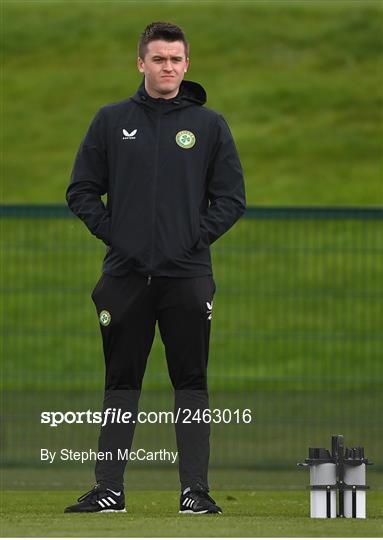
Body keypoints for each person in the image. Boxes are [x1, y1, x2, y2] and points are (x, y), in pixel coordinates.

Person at [64, 21, 245, 515]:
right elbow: (81, 190)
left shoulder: (210, 126)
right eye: (158, 59)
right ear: (141, 62)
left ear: (187, 65)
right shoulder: (110, 120)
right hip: (124, 278)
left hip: (186, 278)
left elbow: (231, 200)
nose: (168, 67)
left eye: (176, 59)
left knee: (191, 382)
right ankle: (109, 489)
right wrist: (115, 233)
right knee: (121, 383)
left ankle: (195, 492)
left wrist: (192, 239)